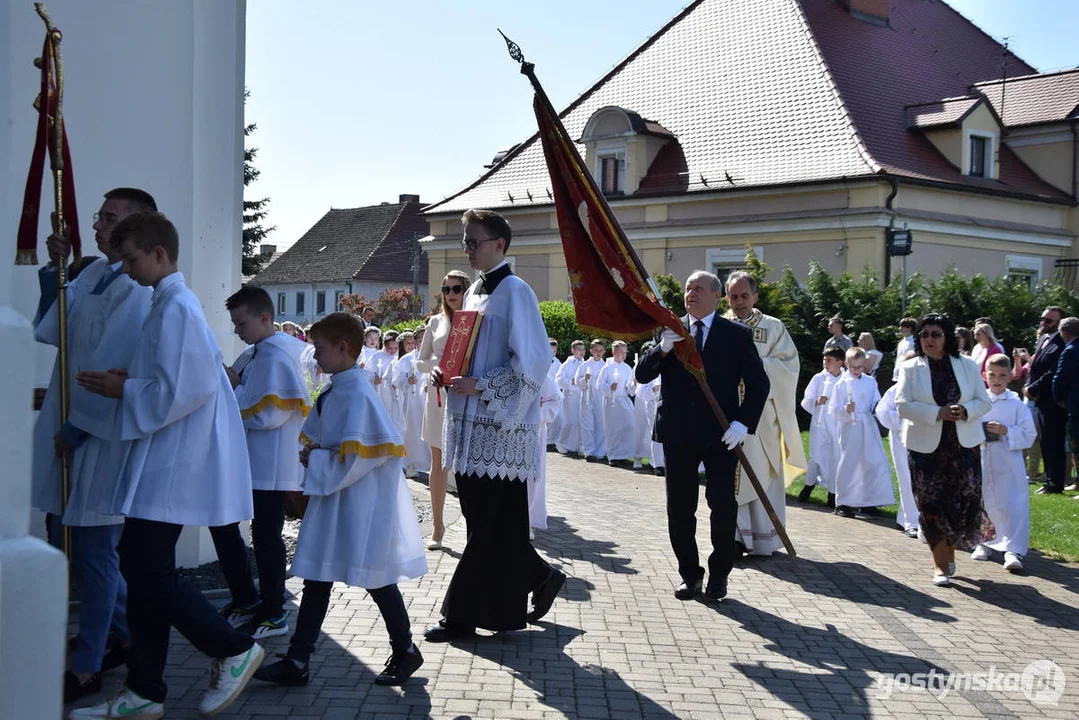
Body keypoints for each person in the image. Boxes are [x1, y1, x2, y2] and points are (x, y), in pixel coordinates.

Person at [73, 212, 262, 718]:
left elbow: (193, 385)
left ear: (158, 254)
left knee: (147, 573)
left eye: (132, 258)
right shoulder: (166, 301)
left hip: (175, 459)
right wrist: (131, 378)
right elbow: (171, 375)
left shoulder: (177, 305)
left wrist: (126, 389)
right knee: (141, 570)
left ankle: (232, 647)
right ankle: (144, 690)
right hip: (162, 455)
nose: (127, 268)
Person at [253, 312, 427, 688]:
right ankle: (298, 659)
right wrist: (316, 451)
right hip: (336, 499)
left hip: (358, 504)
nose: (314, 356)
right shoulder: (340, 388)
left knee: (376, 578)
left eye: (319, 348)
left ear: (343, 348)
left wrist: (317, 458)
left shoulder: (357, 393)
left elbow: (363, 456)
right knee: (317, 575)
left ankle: (405, 649)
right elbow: (341, 446)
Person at [32, 187, 156, 703]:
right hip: (70, 421)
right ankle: (124, 636)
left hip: (99, 435)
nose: (98, 226)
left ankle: (86, 663)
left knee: (96, 551)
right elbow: (54, 329)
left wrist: (77, 428)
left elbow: (116, 368)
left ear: (139, 228)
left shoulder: (137, 289)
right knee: (74, 540)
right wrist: (53, 271)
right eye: (98, 217)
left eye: (110, 218)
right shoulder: (89, 274)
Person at [425, 209, 565, 642]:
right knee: (488, 524)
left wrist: (481, 384)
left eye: (475, 241)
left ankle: (460, 617)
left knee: (487, 528)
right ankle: (537, 579)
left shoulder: (516, 292)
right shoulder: (472, 295)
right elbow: (466, 353)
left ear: (500, 244)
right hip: (467, 425)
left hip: (499, 431)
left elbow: (534, 362)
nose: (468, 249)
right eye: (465, 241)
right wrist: (446, 374)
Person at [635, 270, 769, 601]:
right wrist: (662, 348)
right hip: (678, 433)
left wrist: (742, 423)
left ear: (716, 295)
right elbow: (642, 374)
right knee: (680, 509)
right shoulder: (669, 329)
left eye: (698, 288)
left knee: (722, 506)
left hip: (720, 434)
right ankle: (689, 575)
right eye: (687, 288)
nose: (690, 293)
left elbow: (758, 385)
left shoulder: (735, 334)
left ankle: (719, 575)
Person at [212, 285, 311, 641]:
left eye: (241, 323)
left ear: (264, 317)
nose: (237, 330)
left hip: (268, 462)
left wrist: (235, 387)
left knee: (266, 538)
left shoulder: (274, 356)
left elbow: (269, 414)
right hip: (255, 460)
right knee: (238, 528)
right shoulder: (265, 350)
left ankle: (272, 612)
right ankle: (250, 601)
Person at [896, 313, 992, 587]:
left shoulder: (967, 365)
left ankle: (949, 553)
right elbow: (903, 405)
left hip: (963, 447)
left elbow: (983, 402)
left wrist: (965, 411)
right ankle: (939, 565)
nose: (928, 339)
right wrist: (937, 412)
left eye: (935, 334)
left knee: (961, 503)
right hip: (926, 449)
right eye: (924, 334)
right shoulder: (910, 367)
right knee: (931, 505)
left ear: (947, 337)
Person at [723, 271, 806, 556]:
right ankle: (734, 539)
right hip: (727, 415)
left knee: (758, 471)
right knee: (729, 478)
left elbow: (789, 367)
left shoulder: (773, 327)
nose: (739, 302)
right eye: (733, 296)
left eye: (744, 296)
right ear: (727, 298)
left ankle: (761, 539)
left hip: (761, 419)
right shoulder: (721, 325)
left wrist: (755, 364)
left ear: (755, 297)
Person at [416, 270, 469, 550]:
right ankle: (438, 525)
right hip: (438, 396)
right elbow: (421, 360)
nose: (450, 294)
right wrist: (435, 367)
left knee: (467, 463)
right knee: (438, 460)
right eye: (446, 289)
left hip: (466, 396)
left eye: (456, 289)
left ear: (466, 290)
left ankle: (475, 526)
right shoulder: (434, 322)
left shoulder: (476, 322)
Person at [973, 354, 1036, 570]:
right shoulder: (979, 402)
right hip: (983, 457)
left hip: (1008, 462)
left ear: (1010, 376)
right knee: (984, 500)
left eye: (1002, 375)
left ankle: (1013, 549)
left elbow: (1029, 434)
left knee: (1012, 504)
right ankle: (984, 542)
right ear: (984, 376)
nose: (996, 379)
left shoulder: (1016, 404)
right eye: (992, 375)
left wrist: (1006, 431)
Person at [828, 348, 895, 518]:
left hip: (868, 425)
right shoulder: (841, 384)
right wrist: (845, 409)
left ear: (865, 365)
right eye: (853, 367)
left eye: (860, 367)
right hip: (850, 426)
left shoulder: (870, 381)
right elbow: (833, 410)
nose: (856, 371)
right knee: (850, 463)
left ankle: (867, 502)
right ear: (846, 365)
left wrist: (876, 408)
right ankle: (843, 502)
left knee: (872, 461)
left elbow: (876, 401)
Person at [874, 352, 920, 539]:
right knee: (906, 477)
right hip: (901, 438)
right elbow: (882, 411)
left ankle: (912, 518)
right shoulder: (894, 390)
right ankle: (911, 521)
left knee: (921, 479)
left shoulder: (925, 389)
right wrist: (900, 421)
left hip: (923, 437)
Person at [1025, 306, 1067, 494]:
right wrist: (1028, 385)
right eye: (1042, 319)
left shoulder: (1062, 342)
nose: (1043, 323)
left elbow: (1052, 372)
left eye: (1049, 320)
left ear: (1059, 323)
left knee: (1053, 441)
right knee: (1045, 441)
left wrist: (1033, 388)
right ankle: (1050, 480)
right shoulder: (1043, 339)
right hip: (1038, 398)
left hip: (1052, 399)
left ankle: (1055, 482)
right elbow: (1034, 368)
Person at [798, 347, 845, 506]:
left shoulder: (845, 379)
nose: (825, 363)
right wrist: (817, 401)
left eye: (829, 360)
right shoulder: (818, 378)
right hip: (820, 422)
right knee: (816, 456)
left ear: (840, 362)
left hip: (837, 424)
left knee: (835, 457)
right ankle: (809, 485)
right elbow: (806, 400)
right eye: (824, 360)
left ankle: (832, 494)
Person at [393, 330, 429, 478]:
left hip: (429, 402)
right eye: (420, 340)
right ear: (415, 342)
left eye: (426, 339)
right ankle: (411, 463)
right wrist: (407, 382)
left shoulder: (433, 357)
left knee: (429, 433)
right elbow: (395, 379)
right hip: (412, 403)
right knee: (413, 431)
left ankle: (431, 464)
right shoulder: (406, 360)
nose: (423, 343)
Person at [531, 374, 563, 538]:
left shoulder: (542, 374)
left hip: (533, 429)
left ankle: (528, 519)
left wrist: (537, 411)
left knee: (532, 477)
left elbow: (554, 400)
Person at [597, 341, 637, 468]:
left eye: (625, 353)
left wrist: (633, 384)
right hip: (611, 402)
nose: (624, 356)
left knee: (629, 425)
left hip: (623, 401)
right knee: (612, 429)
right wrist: (610, 387)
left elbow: (630, 388)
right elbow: (599, 386)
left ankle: (623, 454)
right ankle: (613, 456)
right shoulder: (607, 368)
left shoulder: (627, 368)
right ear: (614, 352)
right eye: (621, 353)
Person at [1053, 317, 1079, 499]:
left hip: (1075, 405)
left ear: (1064, 332)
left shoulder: (1070, 351)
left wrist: (1058, 398)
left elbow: (1059, 379)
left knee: (1076, 444)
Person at [575, 340, 608, 462]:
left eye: (601, 351)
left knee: (601, 423)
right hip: (587, 397)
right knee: (587, 423)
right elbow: (577, 382)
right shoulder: (584, 366)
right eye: (596, 350)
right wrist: (585, 379)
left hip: (600, 397)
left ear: (604, 352)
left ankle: (600, 451)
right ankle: (588, 451)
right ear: (591, 351)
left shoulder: (605, 366)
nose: (598, 353)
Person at [554, 340, 586, 456]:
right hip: (570, 396)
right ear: (573, 350)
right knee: (569, 421)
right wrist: (570, 382)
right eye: (579, 349)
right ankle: (561, 442)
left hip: (581, 396)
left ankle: (578, 445)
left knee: (580, 421)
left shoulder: (585, 364)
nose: (581, 352)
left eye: (583, 349)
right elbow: (558, 380)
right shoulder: (566, 365)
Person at [629, 345, 656, 470]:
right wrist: (633, 383)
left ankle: (654, 459)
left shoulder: (657, 364)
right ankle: (638, 456)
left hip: (653, 400)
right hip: (641, 400)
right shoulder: (637, 366)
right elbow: (630, 388)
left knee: (653, 431)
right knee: (641, 429)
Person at [374, 329, 402, 432]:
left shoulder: (400, 357)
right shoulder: (376, 356)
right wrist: (374, 379)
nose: (394, 351)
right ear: (385, 345)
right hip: (381, 392)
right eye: (390, 348)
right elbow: (368, 375)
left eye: (396, 348)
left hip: (397, 393)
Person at [545, 338, 564, 449]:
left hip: (554, 393)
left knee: (557, 417)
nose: (553, 353)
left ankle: (551, 440)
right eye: (550, 350)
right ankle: (543, 440)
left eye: (555, 351)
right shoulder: (540, 361)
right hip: (543, 393)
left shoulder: (557, 363)